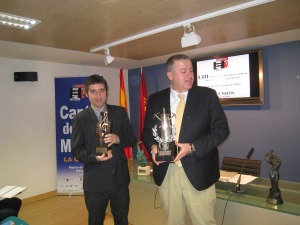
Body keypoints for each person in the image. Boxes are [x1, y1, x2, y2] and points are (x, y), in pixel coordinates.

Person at [142, 54, 230, 225]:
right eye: (183, 71)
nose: (190, 75)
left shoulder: (207, 96)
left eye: (191, 70)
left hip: (199, 170)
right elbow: (147, 131)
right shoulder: (156, 99)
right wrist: (153, 147)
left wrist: (192, 147)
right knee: (173, 221)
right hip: (167, 172)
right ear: (170, 75)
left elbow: (221, 130)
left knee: (204, 222)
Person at [71, 74, 136, 225]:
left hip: (119, 180)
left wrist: (118, 139)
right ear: (86, 93)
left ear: (107, 91)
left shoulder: (119, 112)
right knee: (95, 221)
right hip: (95, 182)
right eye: (93, 91)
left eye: (101, 90)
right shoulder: (80, 119)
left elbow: (131, 139)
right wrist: (95, 156)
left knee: (122, 220)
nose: (98, 96)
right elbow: (76, 150)